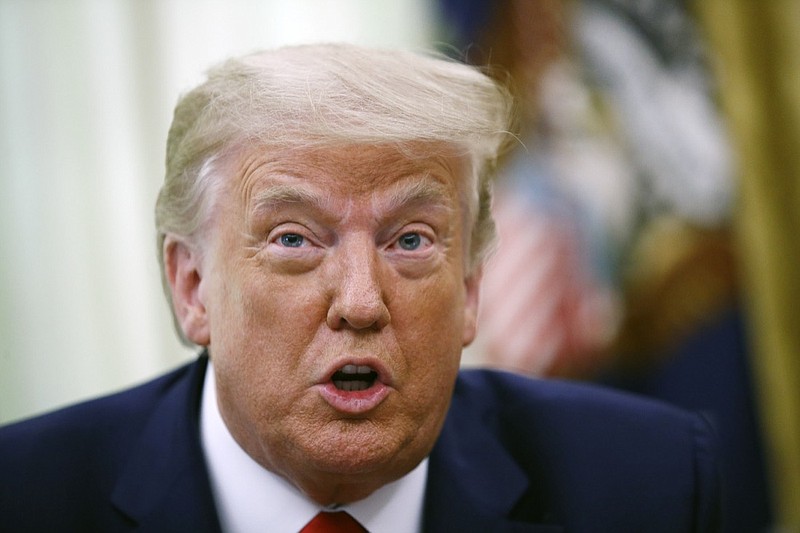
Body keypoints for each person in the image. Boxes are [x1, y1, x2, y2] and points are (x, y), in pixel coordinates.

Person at [0, 43, 719, 532]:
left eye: (410, 240)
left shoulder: (649, 484)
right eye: (293, 240)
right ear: (193, 287)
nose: (361, 301)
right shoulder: (26, 495)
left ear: (469, 287)